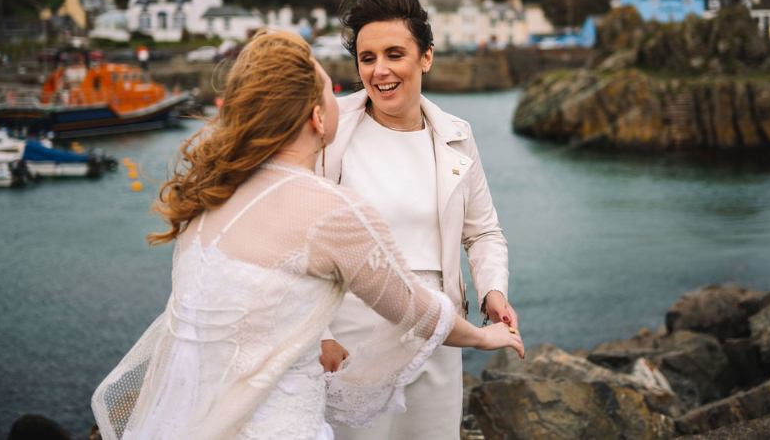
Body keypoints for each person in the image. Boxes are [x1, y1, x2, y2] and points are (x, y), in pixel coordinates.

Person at [91, 31, 523, 440]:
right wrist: (485, 337)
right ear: (318, 117)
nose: (367, 79)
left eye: (394, 54)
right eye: (332, 90)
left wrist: (490, 290)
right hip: (300, 404)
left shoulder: (212, 198)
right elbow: (412, 307)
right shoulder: (330, 209)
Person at [319, 0, 518, 440]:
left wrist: (493, 291)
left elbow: (483, 232)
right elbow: (297, 243)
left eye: (394, 54)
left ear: (425, 57)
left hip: (440, 333)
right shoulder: (330, 131)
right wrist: (320, 337)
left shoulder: (456, 134)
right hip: (351, 340)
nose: (380, 70)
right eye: (367, 58)